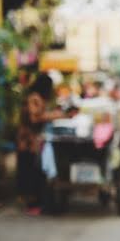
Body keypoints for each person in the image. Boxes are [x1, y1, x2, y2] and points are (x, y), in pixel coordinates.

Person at [16, 73, 76, 215]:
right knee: (31, 172)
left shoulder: (38, 98)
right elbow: (35, 118)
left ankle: (37, 202)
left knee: (35, 171)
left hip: (34, 141)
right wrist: (59, 115)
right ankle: (32, 204)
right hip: (28, 142)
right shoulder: (34, 98)